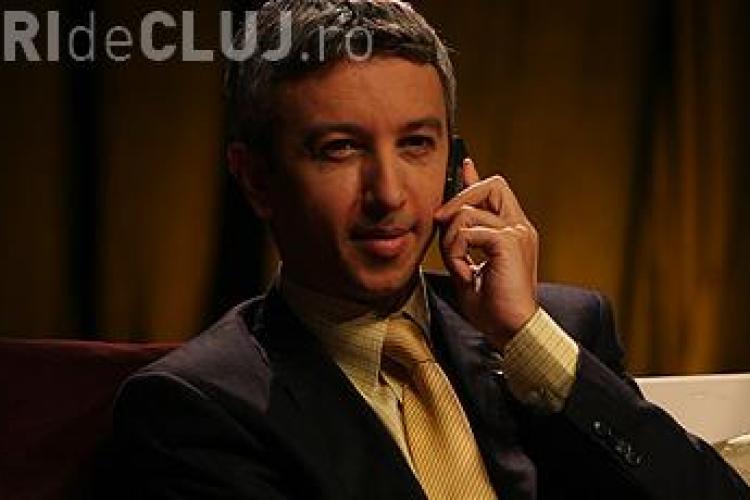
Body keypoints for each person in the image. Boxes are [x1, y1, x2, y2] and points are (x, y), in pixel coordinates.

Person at [112, 1, 748, 498]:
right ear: (256, 179)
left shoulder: (561, 329)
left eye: (416, 144)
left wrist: (526, 338)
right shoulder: (194, 407)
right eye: (340, 149)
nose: (388, 194)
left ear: (454, 163)